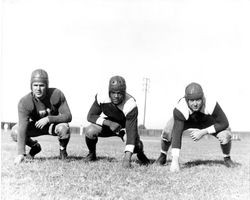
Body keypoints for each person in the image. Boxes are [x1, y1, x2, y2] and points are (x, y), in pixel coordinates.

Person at [155, 82, 235, 172]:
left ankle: (227, 158)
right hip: (187, 121)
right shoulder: (181, 107)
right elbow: (177, 133)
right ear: (186, 100)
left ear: (203, 98)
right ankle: (163, 155)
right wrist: (175, 161)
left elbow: (224, 123)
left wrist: (203, 132)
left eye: (198, 100)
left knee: (226, 134)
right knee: (168, 130)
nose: (195, 104)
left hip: (207, 121)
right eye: (192, 100)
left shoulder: (210, 103)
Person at [85, 75, 150, 168]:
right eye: (113, 93)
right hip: (109, 126)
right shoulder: (101, 97)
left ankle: (140, 154)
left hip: (125, 127)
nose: (116, 96)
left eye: (119, 93)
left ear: (124, 92)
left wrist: (127, 159)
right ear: (109, 92)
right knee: (90, 130)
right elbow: (90, 116)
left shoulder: (130, 104)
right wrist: (109, 123)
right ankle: (91, 154)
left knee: (136, 145)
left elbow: (131, 134)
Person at [11, 69, 72, 164]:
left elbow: (68, 116)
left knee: (64, 128)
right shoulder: (25, 102)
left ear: (46, 86)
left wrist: (49, 119)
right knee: (15, 131)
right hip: (37, 126)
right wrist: (20, 153)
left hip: (53, 126)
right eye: (35, 85)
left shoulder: (56, 94)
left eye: (41, 85)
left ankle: (63, 151)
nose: (38, 89)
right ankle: (35, 146)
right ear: (31, 86)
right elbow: (22, 126)